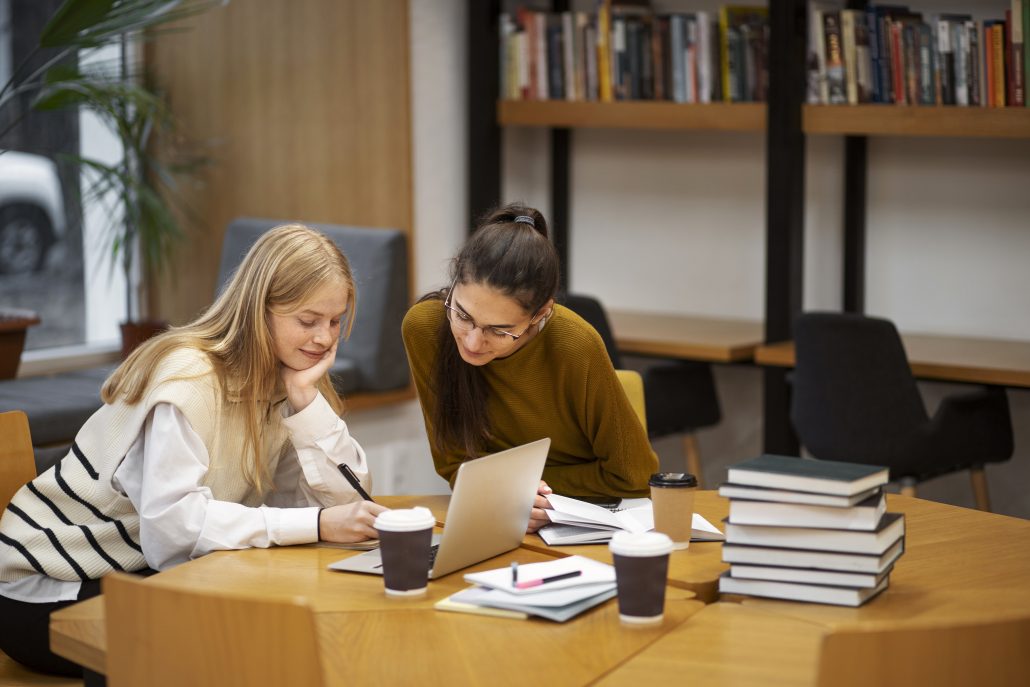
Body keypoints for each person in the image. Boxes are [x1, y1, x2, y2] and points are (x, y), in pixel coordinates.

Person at [0, 224, 386, 677]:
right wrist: (318, 521)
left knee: (269, 618)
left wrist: (307, 403)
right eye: (307, 320)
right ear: (258, 312)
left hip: (132, 571)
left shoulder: (282, 383)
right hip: (47, 586)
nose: (324, 339)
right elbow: (172, 535)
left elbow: (345, 506)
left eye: (335, 321)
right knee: (215, 637)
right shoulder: (191, 379)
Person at [402, 203, 658, 533]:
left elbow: (633, 476)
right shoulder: (424, 329)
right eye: (463, 315)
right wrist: (511, 491)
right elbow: (454, 464)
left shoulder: (575, 344)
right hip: (498, 516)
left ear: (540, 314)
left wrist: (525, 489)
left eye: (499, 330)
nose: (473, 342)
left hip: (580, 520)